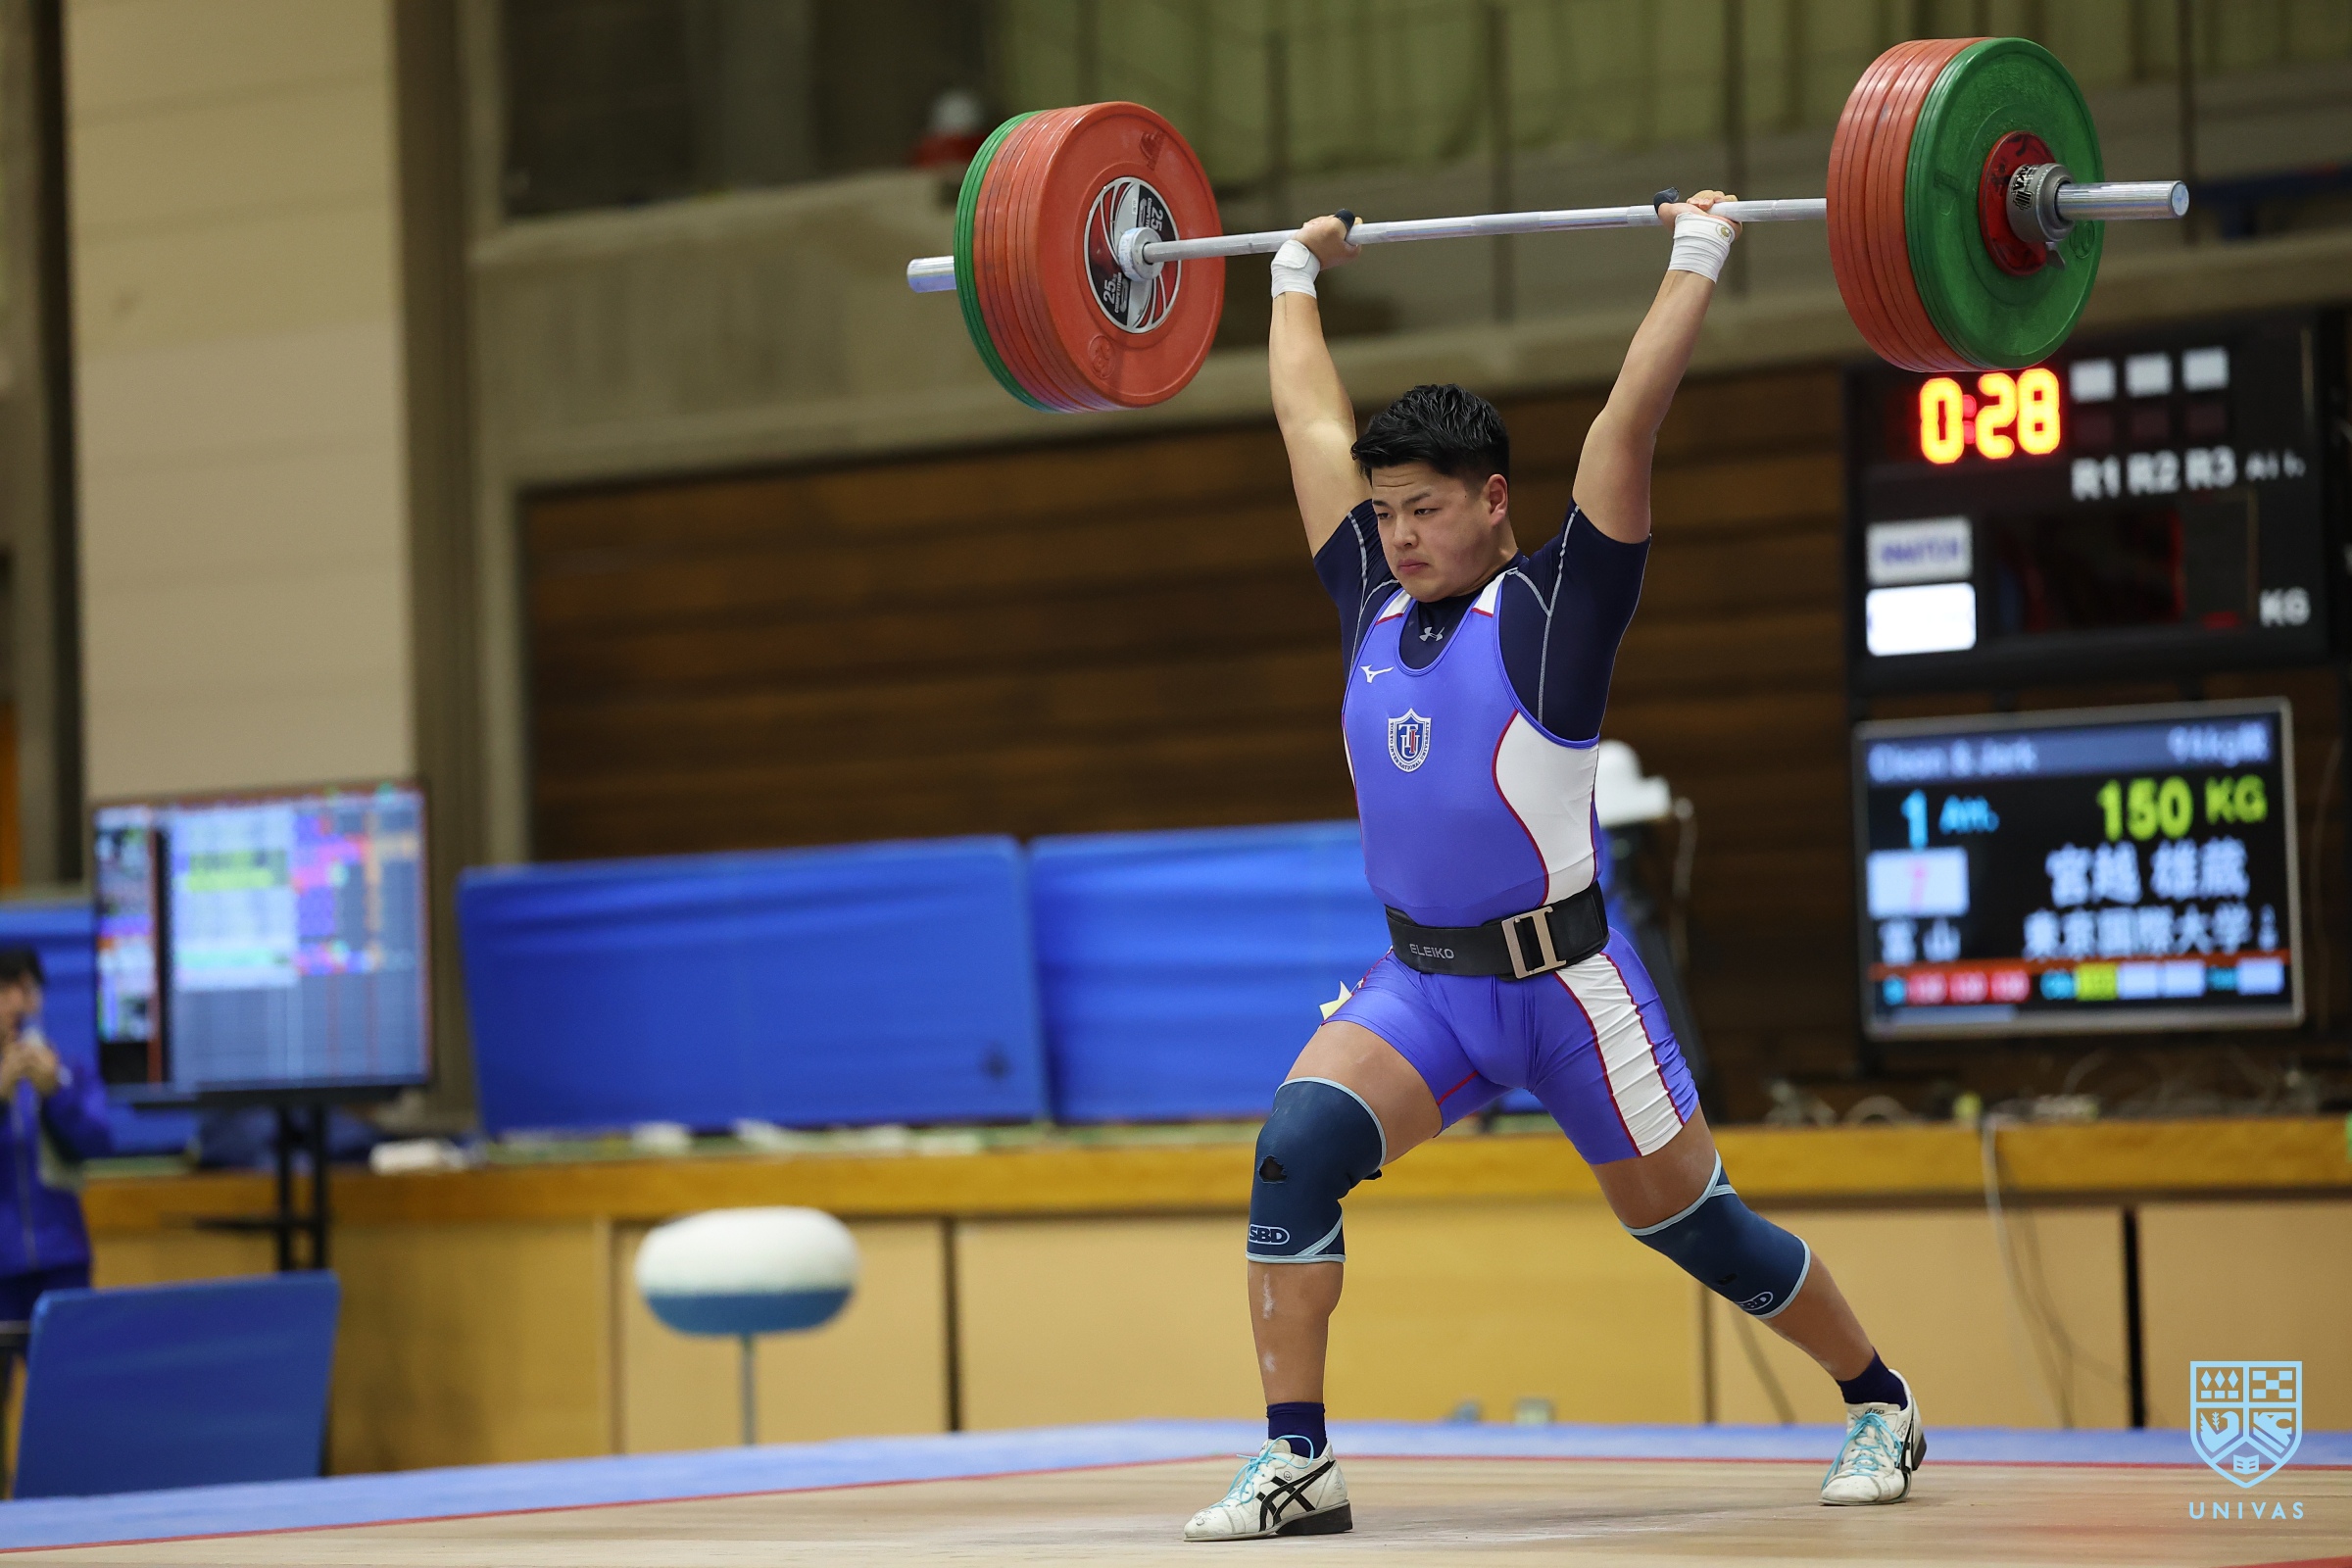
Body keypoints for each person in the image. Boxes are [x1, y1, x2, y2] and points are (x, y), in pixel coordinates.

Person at [1182, 198, 1923, 1543]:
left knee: (1692, 1225)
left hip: (1570, 989)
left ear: (1493, 502)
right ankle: (1299, 1460)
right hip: (1424, 989)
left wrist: (1697, 254)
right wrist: (1291, 274)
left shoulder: (1555, 611)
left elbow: (1624, 428)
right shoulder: (1368, 597)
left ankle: (1879, 1400)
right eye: (1385, 511)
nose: (1399, 534)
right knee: (1294, 1151)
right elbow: (1305, 423)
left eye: (1425, 509)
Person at [0, 948, 114, 1373]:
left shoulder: (68, 1071)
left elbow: (99, 1141)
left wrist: (55, 1094)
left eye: (28, 990)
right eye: (4, 990)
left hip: (62, 1259)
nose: (17, 1003)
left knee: (70, 1388)